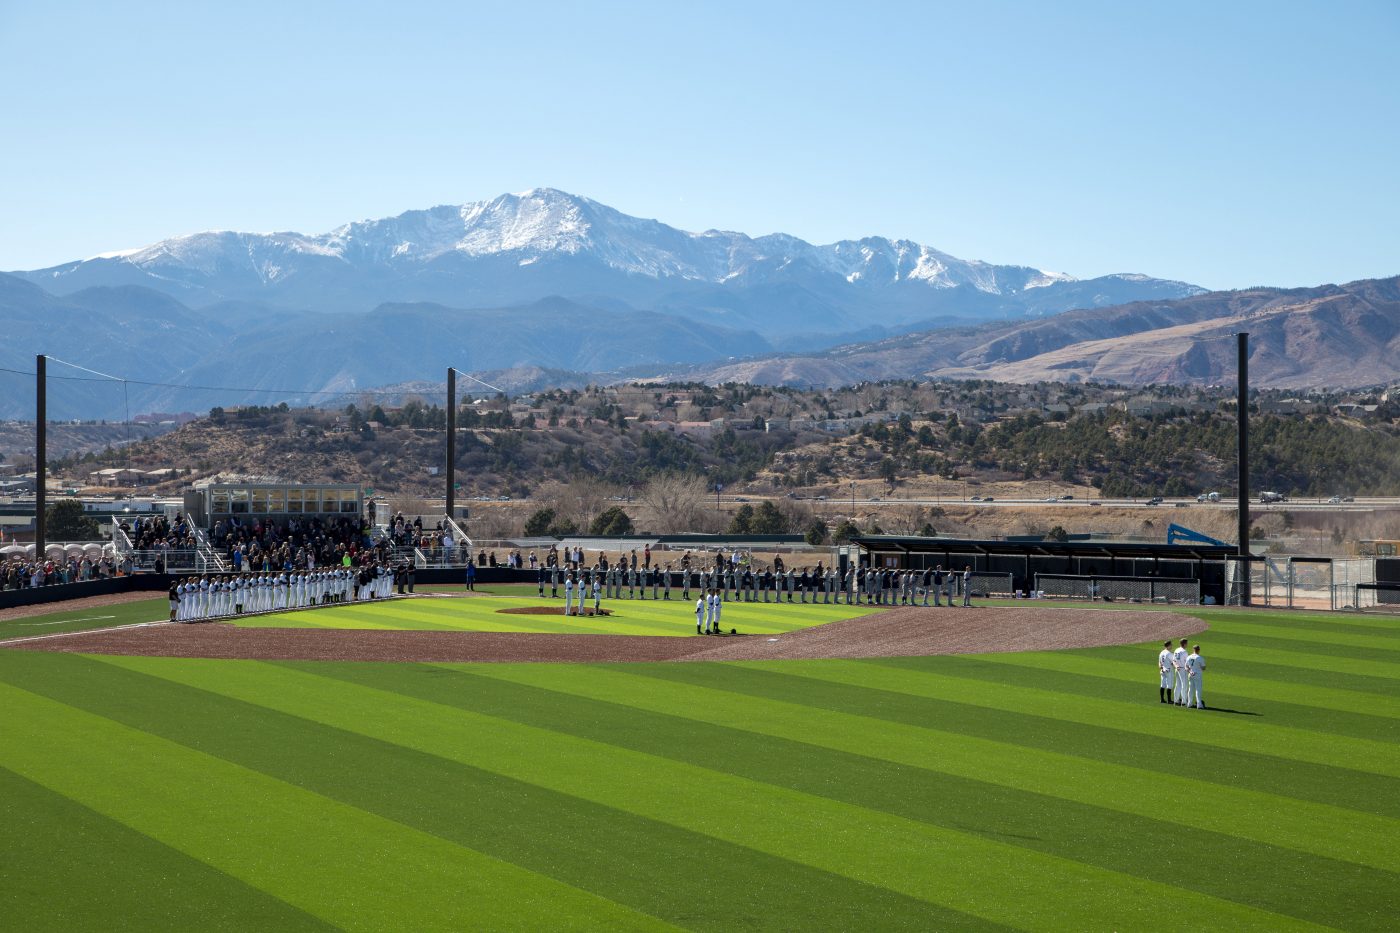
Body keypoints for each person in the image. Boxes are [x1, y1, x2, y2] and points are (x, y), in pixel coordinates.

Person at [1185, 644, 1206, 709]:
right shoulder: (1199, 658)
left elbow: (1186, 667)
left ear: (1193, 649)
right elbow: (1203, 668)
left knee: (1190, 689)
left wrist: (1190, 671)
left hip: (1190, 675)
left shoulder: (1189, 657)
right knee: (1198, 690)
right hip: (1197, 675)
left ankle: (1189, 704)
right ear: (1198, 650)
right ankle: (1199, 705)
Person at [1172, 638, 1190, 705]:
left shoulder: (1176, 650)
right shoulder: (1184, 652)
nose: (1187, 644)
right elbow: (1187, 662)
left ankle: (1176, 700)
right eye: (1187, 643)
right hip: (1182, 669)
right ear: (1184, 644)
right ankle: (1184, 701)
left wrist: (1176, 666)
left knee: (1178, 685)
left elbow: (1173, 660)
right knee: (1184, 685)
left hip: (1177, 669)